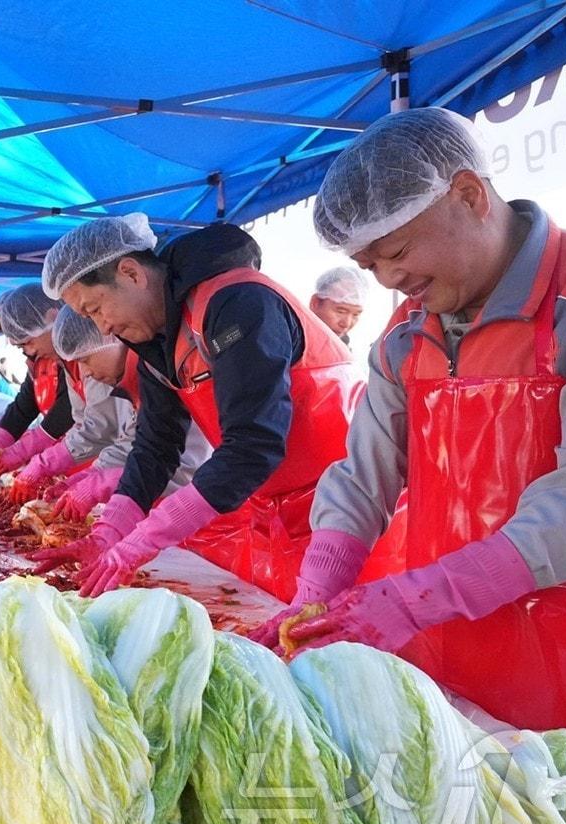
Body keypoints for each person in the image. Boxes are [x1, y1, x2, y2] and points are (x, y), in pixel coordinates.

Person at [259, 108, 566, 740]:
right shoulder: (405, 333)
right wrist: (314, 589)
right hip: (452, 636)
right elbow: (364, 474)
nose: (390, 280)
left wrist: (417, 597)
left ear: (469, 194)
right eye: (369, 265)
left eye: (396, 252)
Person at [37, 212, 378, 603]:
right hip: (280, 509)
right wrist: (108, 533)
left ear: (130, 273)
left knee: (347, 623)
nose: (103, 328)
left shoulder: (236, 303)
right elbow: (155, 447)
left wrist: (144, 539)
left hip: (351, 510)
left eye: (96, 309)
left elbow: (252, 446)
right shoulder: (158, 344)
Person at [44, 306, 211, 521]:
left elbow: (183, 463)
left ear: (114, 339)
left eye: (85, 360)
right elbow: (133, 441)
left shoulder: (162, 372)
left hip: (201, 512)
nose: (86, 373)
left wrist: (109, 480)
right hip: (159, 502)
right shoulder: (130, 383)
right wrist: (96, 474)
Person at [0, 283, 76, 475]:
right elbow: (24, 406)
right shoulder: (37, 360)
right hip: (66, 457)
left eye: (25, 338)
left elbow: (71, 409)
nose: (26, 349)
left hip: (87, 460)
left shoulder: (78, 355)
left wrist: (24, 451)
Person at [309, 266, 369, 344]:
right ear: (315, 303)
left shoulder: (342, 347)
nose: (346, 324)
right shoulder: (295, 340)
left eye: (355, 315)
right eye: (341, 312)